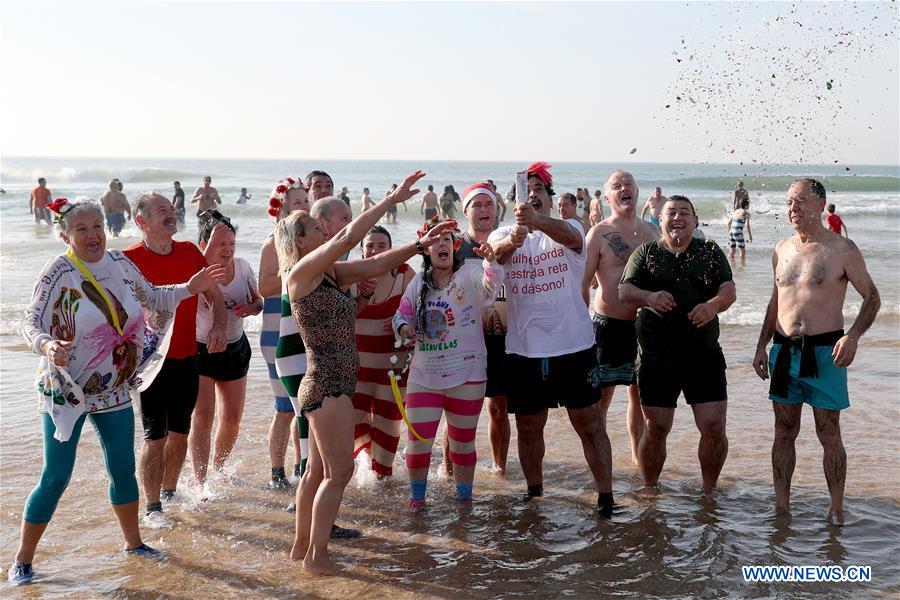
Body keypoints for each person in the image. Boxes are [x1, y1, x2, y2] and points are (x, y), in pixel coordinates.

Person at [10, 198, 224, 584]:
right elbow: (30, 321)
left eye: (97, 226)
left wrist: (189, 288)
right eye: (82, 229)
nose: (92, 234)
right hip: (66, 389)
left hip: (112, 389)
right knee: (56, 476)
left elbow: (154, 298)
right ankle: (22, 559)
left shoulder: (121, 264)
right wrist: (46, 346)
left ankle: (134, 543)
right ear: (65, 234)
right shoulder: (57, 271)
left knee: (122, 468)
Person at [274, 170, 452, 574]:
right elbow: (348, 238)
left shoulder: (330, 274)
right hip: (327, 384)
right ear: (299, 241)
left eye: (322, 227)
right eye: (313, 228)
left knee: (316, 472)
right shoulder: (300, 274)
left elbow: (377, 261)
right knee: (341, 472)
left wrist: (419, 245)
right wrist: (390, 201)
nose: (322, 231)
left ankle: (302, 549)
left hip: (334, 383)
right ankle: (318, 558)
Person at [488, 162, 613, 516]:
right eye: (524, 192)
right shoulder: (500, 234)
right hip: (525, 350)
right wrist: (516, 235)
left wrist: (537, 222)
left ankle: (606, 497)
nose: (531, 196)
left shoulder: (570, 226)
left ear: (548, 196)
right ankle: (535, 493)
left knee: (589, 424)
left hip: (574, 345)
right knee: (528, 426)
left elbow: (574, 238)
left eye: (538, 190)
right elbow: (498, 257)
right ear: (513, 202)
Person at [752, 178, 880, 525]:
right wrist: (762, 344)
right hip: (783, 350)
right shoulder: (781, 249)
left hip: (826, 353)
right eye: (789, 202)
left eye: (801, 201)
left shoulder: (842, 249)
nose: (793, 208)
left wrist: (852, 336)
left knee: (828, 431)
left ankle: (836, 508)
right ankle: (782, 505)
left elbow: (871, 297)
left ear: (821, 204)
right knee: (784, 430)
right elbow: (776, 299)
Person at [619, 195, 735, 494]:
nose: (678, 217)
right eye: (671, 212)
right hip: (657, 357)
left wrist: (712, 306)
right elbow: (624, 290)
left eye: (685, 212)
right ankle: (650, 491)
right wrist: (649, 297)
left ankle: (709, 492)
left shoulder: (709, 251)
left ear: (695, 221)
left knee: (713, 427)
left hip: (703, 355)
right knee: (655, 429)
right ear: (661, 219)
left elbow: (728, 290)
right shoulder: (646, 253)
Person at [124, 193, 227, 525]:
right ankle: (152, 508)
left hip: (187, 357)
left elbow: (214, 295)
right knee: (155, 437)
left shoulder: (188, 251)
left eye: (172, 209)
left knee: (180, 433)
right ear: (141, 221)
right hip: (149, 364)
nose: (171, 214)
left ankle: (168, 492)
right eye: (161, 211)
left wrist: (220, 327)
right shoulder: (127, 260)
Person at [393, 219, 500, 507]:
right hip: (424, 375)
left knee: (463, 445)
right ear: (426, 248)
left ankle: (464, 500)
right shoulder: (419, 282)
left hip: (467, 373)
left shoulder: (470, 273)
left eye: (447, 239)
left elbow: (489, 291)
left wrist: (491, 263)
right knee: (417, 445)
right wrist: (404, 329)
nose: (442, 244)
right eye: (435, 239)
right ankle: (417, 502)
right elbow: (401, 314)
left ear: (454, 246)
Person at [582, 170, 660, 466]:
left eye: (629, 184)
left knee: (639, 399)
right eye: (617, 186)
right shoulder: (599, 233)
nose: (624, 188)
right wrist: (580, 326)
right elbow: (584, 283)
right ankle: (600, 461)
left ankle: (636, 459)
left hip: (644, 328)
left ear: (637, 191)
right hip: (608, 325)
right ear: (608, 196)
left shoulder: (653, 232)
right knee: (601, 399)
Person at [189, 215, 263, 485]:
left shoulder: (242, 267)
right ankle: (200, 482)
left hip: (235, 349)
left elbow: (259, 301)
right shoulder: (197, 274)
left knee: (231, 421)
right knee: (203, 416)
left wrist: (252, 308)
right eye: (220, 243)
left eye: (231, 242)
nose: (228, 248)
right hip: (202, 350)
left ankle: (218, 471)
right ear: (204, 245)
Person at [454, 182, 511, 474]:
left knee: (498, 410)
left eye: (488, 204)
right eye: (477, 205)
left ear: (496, 208)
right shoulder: (455, 247)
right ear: (466, 211)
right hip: (463, 338)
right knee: (457, 412)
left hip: (501, 337)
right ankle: (449, 473)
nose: (484, 210)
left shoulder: (509, 242)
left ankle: (500, 470)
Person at [350, 226, 415, 478]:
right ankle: (368, 470)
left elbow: (418, 312)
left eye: (381, 245)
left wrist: (402, 319)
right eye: (370, 245)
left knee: (387, 433)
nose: (375, 250)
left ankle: (382, 483)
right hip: (357, 368)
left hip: (393, 370)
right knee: (354, 426)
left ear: (391, 249)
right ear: (362, 250)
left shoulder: (404, 274)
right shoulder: (351, 275)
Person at [260, 177, 309, 489]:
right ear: (281, 207)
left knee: (304, 406)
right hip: (277, 333)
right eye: (297, 202)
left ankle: (299, 467)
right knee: (284, 409)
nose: (304, 206)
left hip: (303, 332)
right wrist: (293, 269)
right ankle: (277, 472)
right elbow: (264, 287)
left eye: (306, 200)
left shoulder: (311, 240)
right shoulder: (273, 241)